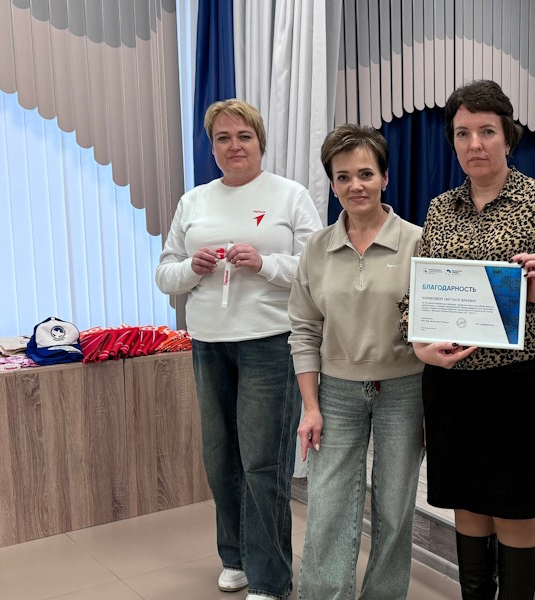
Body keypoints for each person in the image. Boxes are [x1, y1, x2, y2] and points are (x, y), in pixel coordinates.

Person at [404, 80, 535, 600]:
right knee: (467, 505)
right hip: (452, 386)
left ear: (507, 137)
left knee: (513, 508)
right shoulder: (440, 209)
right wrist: (421, 346)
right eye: (463, 133)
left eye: (487, 131)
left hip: (520, 385)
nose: (475, 144)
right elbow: (418, 294)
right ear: (453, 142)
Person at [155, 99, 322, 600]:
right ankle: (234, 557)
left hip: (270, 343)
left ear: (260, 143)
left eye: (243, 136)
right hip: (209, 343)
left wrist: (265, 263)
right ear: (212, 148)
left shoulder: (290, 195)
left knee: (262, 462)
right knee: (220, 456)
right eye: (223, 138)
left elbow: (318, 269)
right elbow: (165, 273)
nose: (234, 146)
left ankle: (270, 579)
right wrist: (192, 269)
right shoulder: (193, 201)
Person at [289, 124, 425, 599]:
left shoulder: (419, 243)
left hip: (404, 392)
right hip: (336, 393)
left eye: (365, 174)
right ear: (332, 185)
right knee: (328, 506)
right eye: (343, 177)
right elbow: (304, 331)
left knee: (394, 509)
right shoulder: (316, 249)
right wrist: (311, 406)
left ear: (385, 177)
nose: (355, 186)